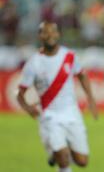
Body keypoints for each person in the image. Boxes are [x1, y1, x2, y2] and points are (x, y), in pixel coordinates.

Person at [16, 21, 98, 172]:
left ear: (58, 34)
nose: (50, 35)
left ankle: (57, 154)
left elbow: (82, 76)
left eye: (53, 31)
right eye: (45, 32)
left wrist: (91, 99)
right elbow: (20, 94)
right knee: (64, 159)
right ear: (40, 36)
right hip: (49, 116)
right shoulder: (33, 63)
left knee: (82, 161)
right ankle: (59, 153)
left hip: (71, 113)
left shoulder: (69, 56)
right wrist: (28, 108)